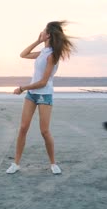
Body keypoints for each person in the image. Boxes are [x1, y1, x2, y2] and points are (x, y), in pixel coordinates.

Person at [6, 21, 75, 174]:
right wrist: (37, 41)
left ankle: (53, 164)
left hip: (44, 95)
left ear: (48, 35)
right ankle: (16, 163)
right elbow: (23, 54)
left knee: (44, 131)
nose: (41, 33)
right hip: (32, 95)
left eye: (43, 32)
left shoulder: (52, 55)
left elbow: (43, 82)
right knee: (23, 128)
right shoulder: (43, 52)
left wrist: (22, 88)